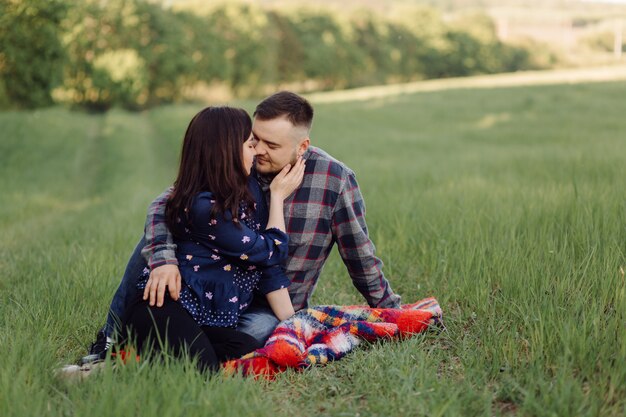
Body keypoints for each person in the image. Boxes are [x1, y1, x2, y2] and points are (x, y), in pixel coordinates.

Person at [81, 91, 401, 365]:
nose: (258, 149)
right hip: (207, 293)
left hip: (267, 305)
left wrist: (392, 314)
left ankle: (159, 351)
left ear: (302, 146)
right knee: (152, 242)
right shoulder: (238, 162)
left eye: (270, 145)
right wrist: (163, 259)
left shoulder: (334, 180)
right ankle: (111, 337)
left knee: (254, 340)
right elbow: (166, 204)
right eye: (254, 139)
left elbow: (360, 256)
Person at [117, 106, 305, 372]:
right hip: (161, 309)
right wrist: (277, 197)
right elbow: (270, 251)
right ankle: (108, 366)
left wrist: (294, 326)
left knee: (245, 351)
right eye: (250, 144)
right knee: (205, 369)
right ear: (227, 152)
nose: (256, 151)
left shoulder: (235, 195)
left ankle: (142, 359)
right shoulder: (207, 209)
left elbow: (265, 267)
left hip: (199, 319)